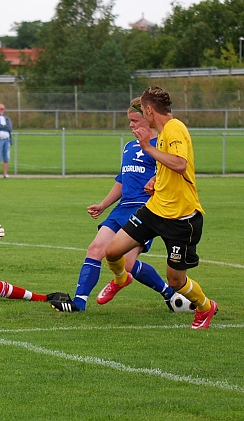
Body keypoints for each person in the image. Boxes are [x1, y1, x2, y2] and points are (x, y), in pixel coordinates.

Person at [49, 98, 193, 314]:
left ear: (148, 117)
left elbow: (171, 174)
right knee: (95, 249)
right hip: (122, 208)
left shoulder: (161, 145)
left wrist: (155, 182)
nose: (131, 125)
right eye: (129, 121)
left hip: (145, 209)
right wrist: (103, 205)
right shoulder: (129, 146)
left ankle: (168, 294)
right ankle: (79, 302)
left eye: (135, 120)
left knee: (127, 263)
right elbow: (122, 180)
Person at [101, 86, 217, 329]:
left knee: (176, 281)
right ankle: (121, 279)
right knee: (112, 251)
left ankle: (205, 307)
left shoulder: (174, 129)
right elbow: (169, 166)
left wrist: (148, 148)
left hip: (181, 218)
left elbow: (180, 164)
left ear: (150, 110)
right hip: (154, 210)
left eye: (143, 112)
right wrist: (156, 179)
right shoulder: (164, 133)